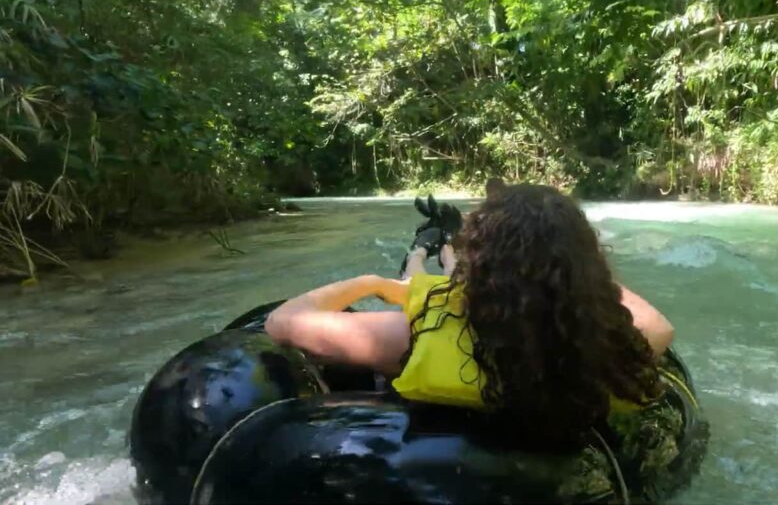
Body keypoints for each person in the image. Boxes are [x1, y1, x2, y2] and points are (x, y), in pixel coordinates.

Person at [265, 184, 675, 449]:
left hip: (449, 313)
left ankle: (423, 256)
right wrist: (576, 274)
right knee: (424, 283)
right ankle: (428, 261)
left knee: (418, 283)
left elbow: (282, 322)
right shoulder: (618, 348)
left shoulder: (414, 337)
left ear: (478, 265)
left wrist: (371, 282)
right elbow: (656, 322)